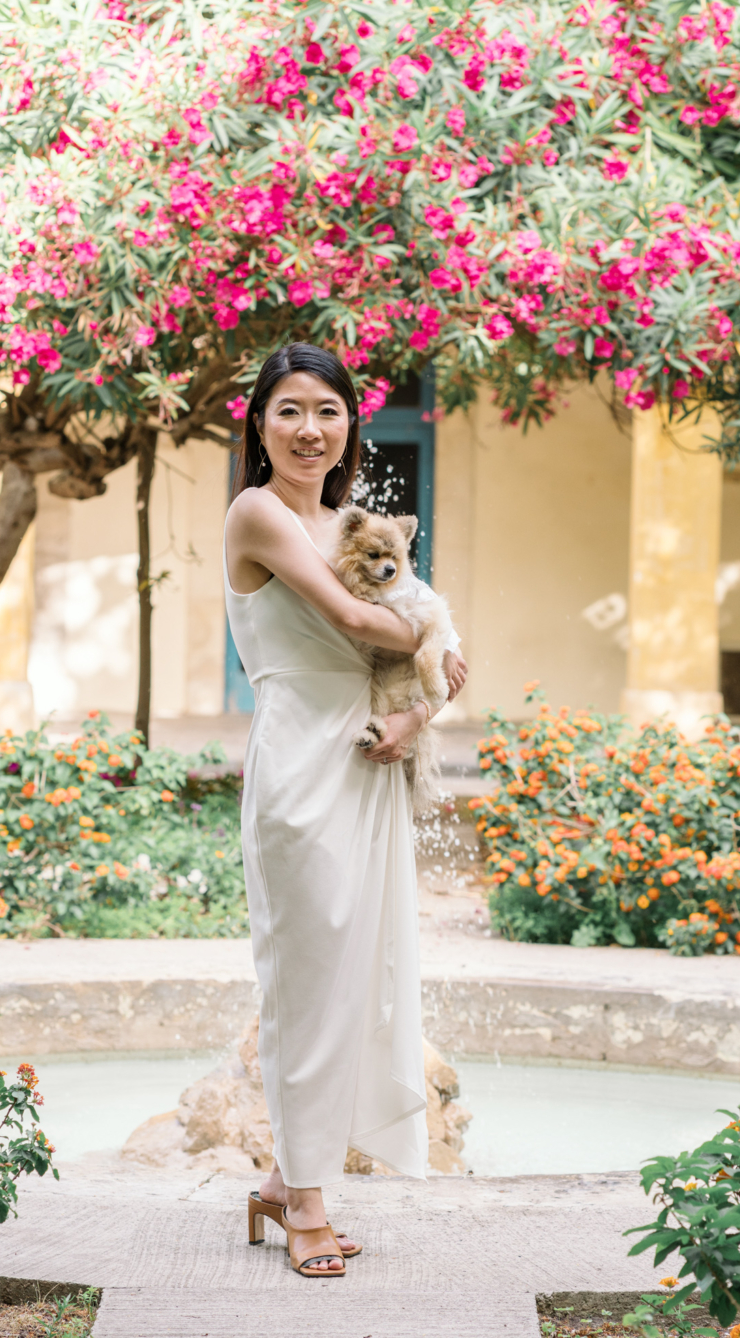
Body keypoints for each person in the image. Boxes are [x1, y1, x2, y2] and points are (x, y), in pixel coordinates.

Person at [223, 343, 467, 1277]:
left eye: (328, 411)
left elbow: (422, 671)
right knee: (305, 983)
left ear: (349, 427)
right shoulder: (260, 513)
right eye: (289, 410)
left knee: (356, 976)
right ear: (259, 423)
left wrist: (422, 705)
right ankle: (310, 1203)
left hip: (371, 761)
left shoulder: (347, 520)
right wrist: (438, 632)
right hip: (301, 767)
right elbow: (362, 624)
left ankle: (287, 1182)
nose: (309, 430)